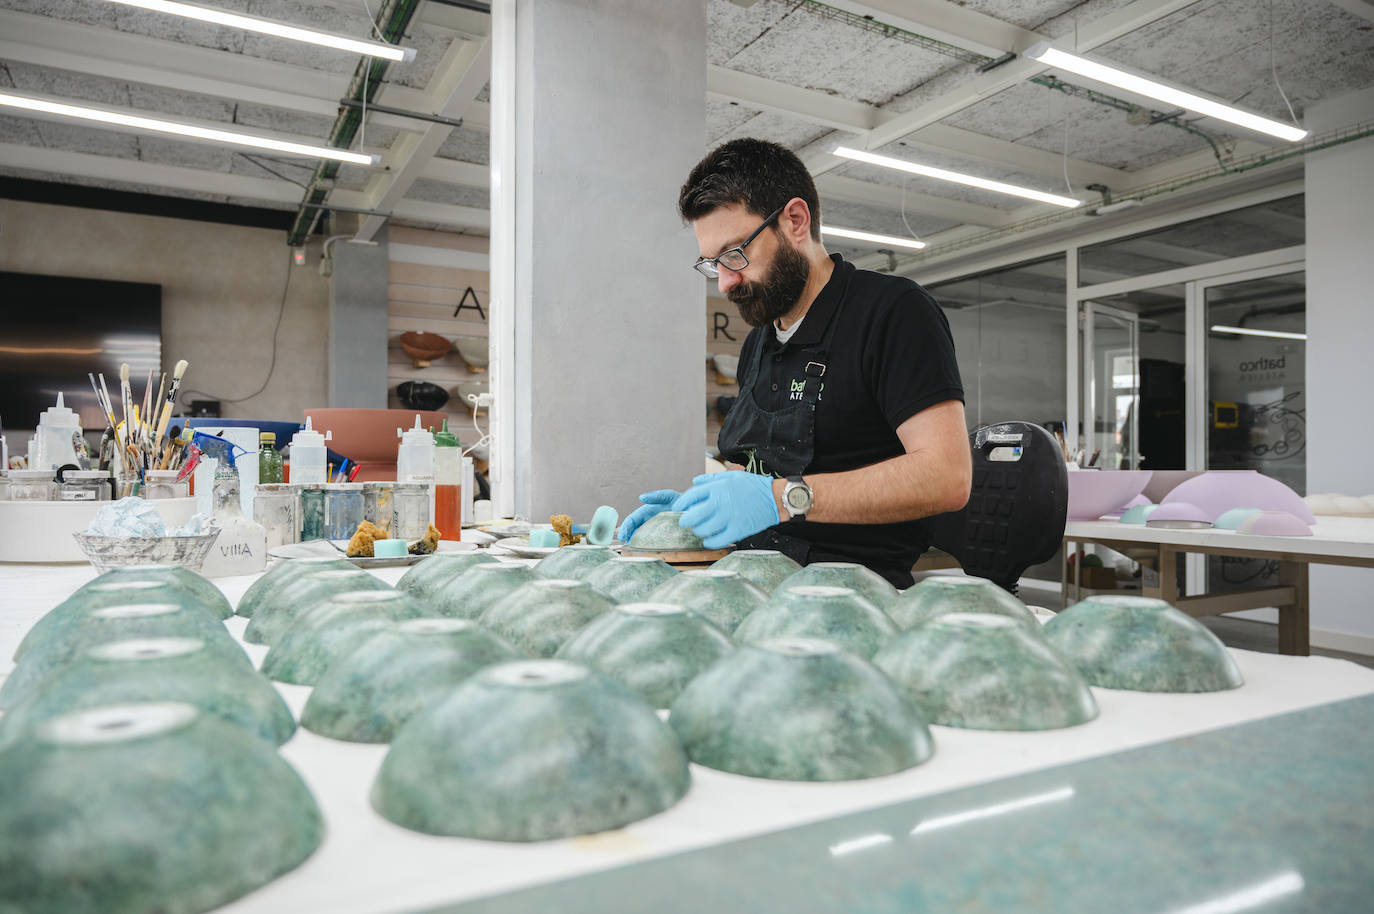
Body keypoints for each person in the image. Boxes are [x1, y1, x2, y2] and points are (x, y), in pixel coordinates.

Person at [619, 138, 971, 589]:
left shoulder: (893, 313)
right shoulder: (758, 343)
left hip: (855, 596)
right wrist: (691, 511)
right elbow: (759, 470)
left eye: (734, 254)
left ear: (795, 221)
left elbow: (947, 477)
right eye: (712, 264)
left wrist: (785, 499)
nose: (725, 283)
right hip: (752, 580)